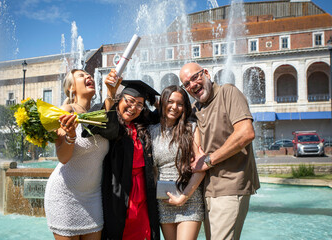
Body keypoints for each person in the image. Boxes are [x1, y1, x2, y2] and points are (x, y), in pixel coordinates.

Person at [179, 63, 260, 240]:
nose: (192, 85)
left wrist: (208, 160)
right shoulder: (196, 109)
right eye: (186, 84)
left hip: (230, 187)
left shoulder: (228, 92)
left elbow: (246, 133)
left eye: (195, 77)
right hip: (208, 190)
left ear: (206, 73)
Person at [44, 69, 120, 240]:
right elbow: (63, 158)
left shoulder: (97, 110)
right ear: (71, 87)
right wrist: (71, 136)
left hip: (92, 197)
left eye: (90, 75)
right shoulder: (65, 110)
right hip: (65, 195)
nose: (89, 77)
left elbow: (113, 127)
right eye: (81, 75)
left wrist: (111, 91)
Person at [99, 77, 160, 240]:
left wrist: (156, 103)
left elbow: (164, 115)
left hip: (144, 195)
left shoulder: (142, 126)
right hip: (119, 193)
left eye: (140, 104)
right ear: (120, 100)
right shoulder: (113, 126)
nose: (134, 108)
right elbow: (107, 125)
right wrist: (110, 94)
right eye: (130, 101)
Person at [148, 85, 205, 240]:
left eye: (180, 104)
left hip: (189, 198)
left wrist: (183, 197)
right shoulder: (151, 131)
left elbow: (200, 168)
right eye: (170, 102)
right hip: (164, 200)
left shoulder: (191, 128)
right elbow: (153, 170)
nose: (175, 107)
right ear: (162, 103)